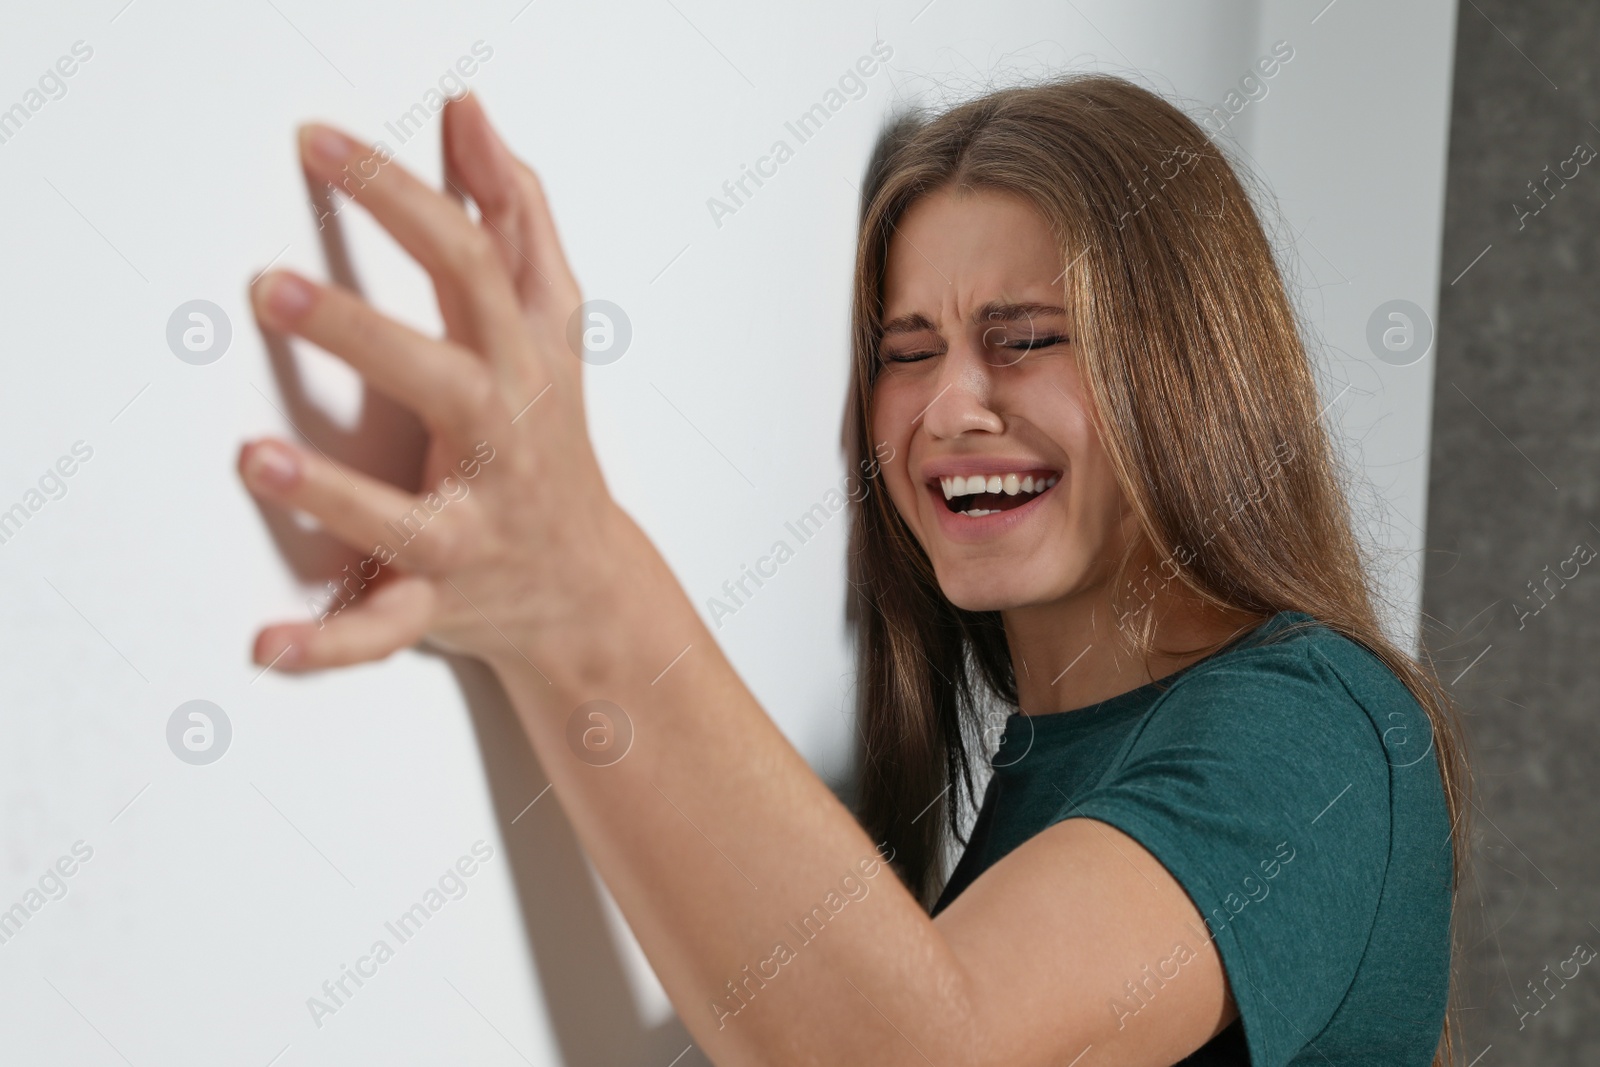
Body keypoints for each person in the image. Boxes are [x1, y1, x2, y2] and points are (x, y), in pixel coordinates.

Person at [236, 74, 1471, 1066]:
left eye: (1023, 340)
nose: (946, 407)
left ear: (1193, 369)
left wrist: (573, 579)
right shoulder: (1047, 773)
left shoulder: (1319, 727)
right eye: (906, 350)